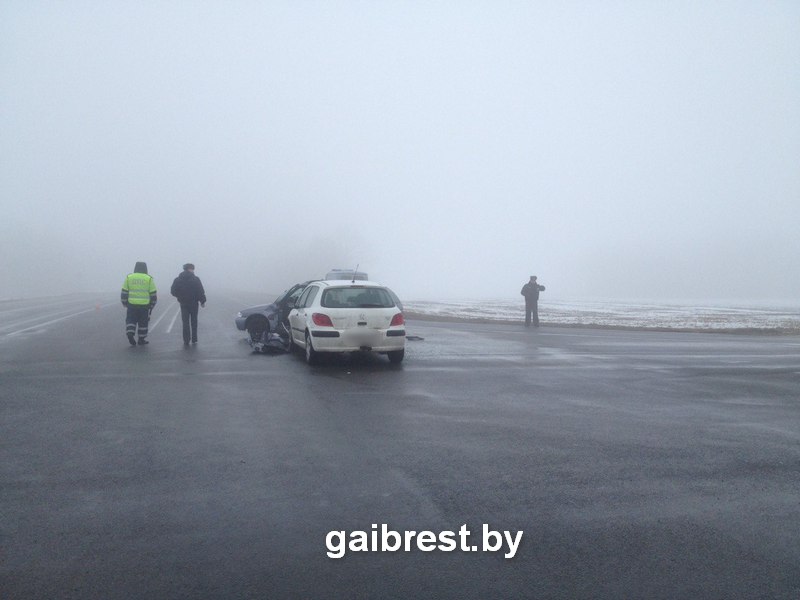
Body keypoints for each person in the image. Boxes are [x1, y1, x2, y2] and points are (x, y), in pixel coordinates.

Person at [121, 261, 157, 346]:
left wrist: (124, 302)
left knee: (131, 320)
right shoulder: (148, 278)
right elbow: (153, 293)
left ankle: (130, 333)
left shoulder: (129, 277)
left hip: (131, 304)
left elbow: (124, 292)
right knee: (143, 322)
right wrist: (152, 304)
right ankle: (141, 339)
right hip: (144, 306)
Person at [170, 263, 206, 345]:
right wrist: (202, 301)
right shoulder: (196, 279)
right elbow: (200, 291)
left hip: (183, 303)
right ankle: (194, 338)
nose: (193, 270)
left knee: (185, 322)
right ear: (190, 269)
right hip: (193, 303)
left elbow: (173, 291)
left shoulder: (178, 279)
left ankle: (186, 339)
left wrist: (179, 296)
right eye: (192, 269)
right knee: (194, 321)